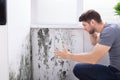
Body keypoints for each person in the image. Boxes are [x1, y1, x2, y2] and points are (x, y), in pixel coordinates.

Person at [54, 9, 120, 80]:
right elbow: (94, 42)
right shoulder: (109, 28)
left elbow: (93, 58)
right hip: (114, 70)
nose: (84, 28)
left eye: (84, 25)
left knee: (78, 68)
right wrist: (91, 31)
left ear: (92, 22)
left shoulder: (109, 31)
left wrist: (68, 55)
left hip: (116, 73)